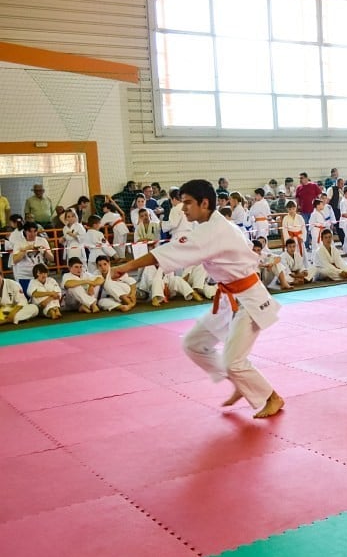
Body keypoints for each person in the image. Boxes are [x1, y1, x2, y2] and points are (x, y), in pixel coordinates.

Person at [112, 179, 284, 419]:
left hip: (249, 299)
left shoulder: (212, 231)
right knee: (193, 344)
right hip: (229, 298)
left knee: (234, 360)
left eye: (188, 203)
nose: (183, 209)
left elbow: (167, 253)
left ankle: (271, 397)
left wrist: (127, 265)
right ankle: (239, 383)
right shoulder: (208, 226)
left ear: (205, 203)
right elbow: (175, 250)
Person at [10, 221, 54, 294]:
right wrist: (25, 250)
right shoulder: (19, 242)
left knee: (41, 296)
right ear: (25, 231)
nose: (33, 234)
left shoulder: (42, 241)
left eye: (35, 231)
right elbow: (15, 260)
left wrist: (45, 251)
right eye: (30, 231)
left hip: (39, 275)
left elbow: (51, 259)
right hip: (24, 275)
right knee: (26, 297)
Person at [295, 173, 322, 250]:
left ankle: (316, 244)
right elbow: (297, 198)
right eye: (300, 178)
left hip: (313, 211)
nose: (300, 180)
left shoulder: (313, 186)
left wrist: (319, 206)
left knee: (314, 228)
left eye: (302, 178)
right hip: (304, 211)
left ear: (307, 178)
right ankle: (306, 245)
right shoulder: (299, 188)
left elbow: (319, 195)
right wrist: (298, 206)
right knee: (305, 228)